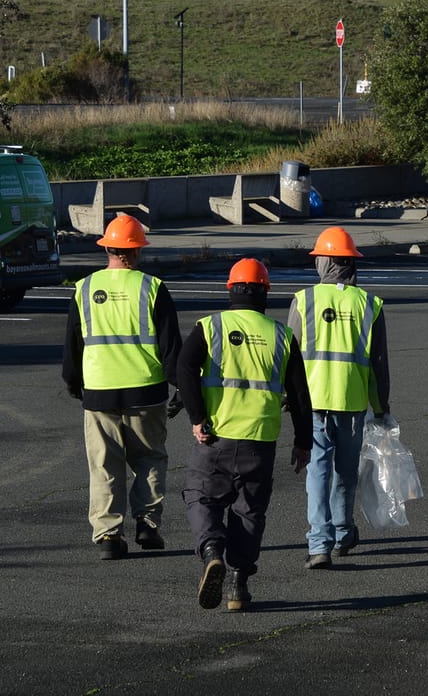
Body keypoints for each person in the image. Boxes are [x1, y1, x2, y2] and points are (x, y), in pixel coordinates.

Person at [177, 258, 313, 611]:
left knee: (200, 496)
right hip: (260, 441)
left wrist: (197, 416)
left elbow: (185, 367)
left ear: (230, 290)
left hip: (216, 436)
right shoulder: (282, 335)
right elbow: (300, 394)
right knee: (249, 512)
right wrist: (303, 442)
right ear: (265, 293)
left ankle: (211, 552)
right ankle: (239, 584)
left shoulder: (210, 326)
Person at [62, 214, 182, 560]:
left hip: (99, 390)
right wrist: (180, 387)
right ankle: (148, 524)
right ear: (137, 251)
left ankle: (109, 536)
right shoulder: (152, 288)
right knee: (149, 458)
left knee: (104, 464)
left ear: (108, 249)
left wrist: (73, 380)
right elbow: (170, 344)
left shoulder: (85, 288)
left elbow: (73, 342)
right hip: (146, 389)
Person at [288, 227, 392, 569]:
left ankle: (319, 543)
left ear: (327, 261)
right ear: (350, 264)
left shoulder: (304, 300)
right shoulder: (369, 305)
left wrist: (288, 399)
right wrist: (382, 408)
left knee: (317, 472)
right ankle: (343, 532)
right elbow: (378, 366)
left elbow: (291, 358)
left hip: (314, 402)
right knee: (346, 473)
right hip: (351, 403)